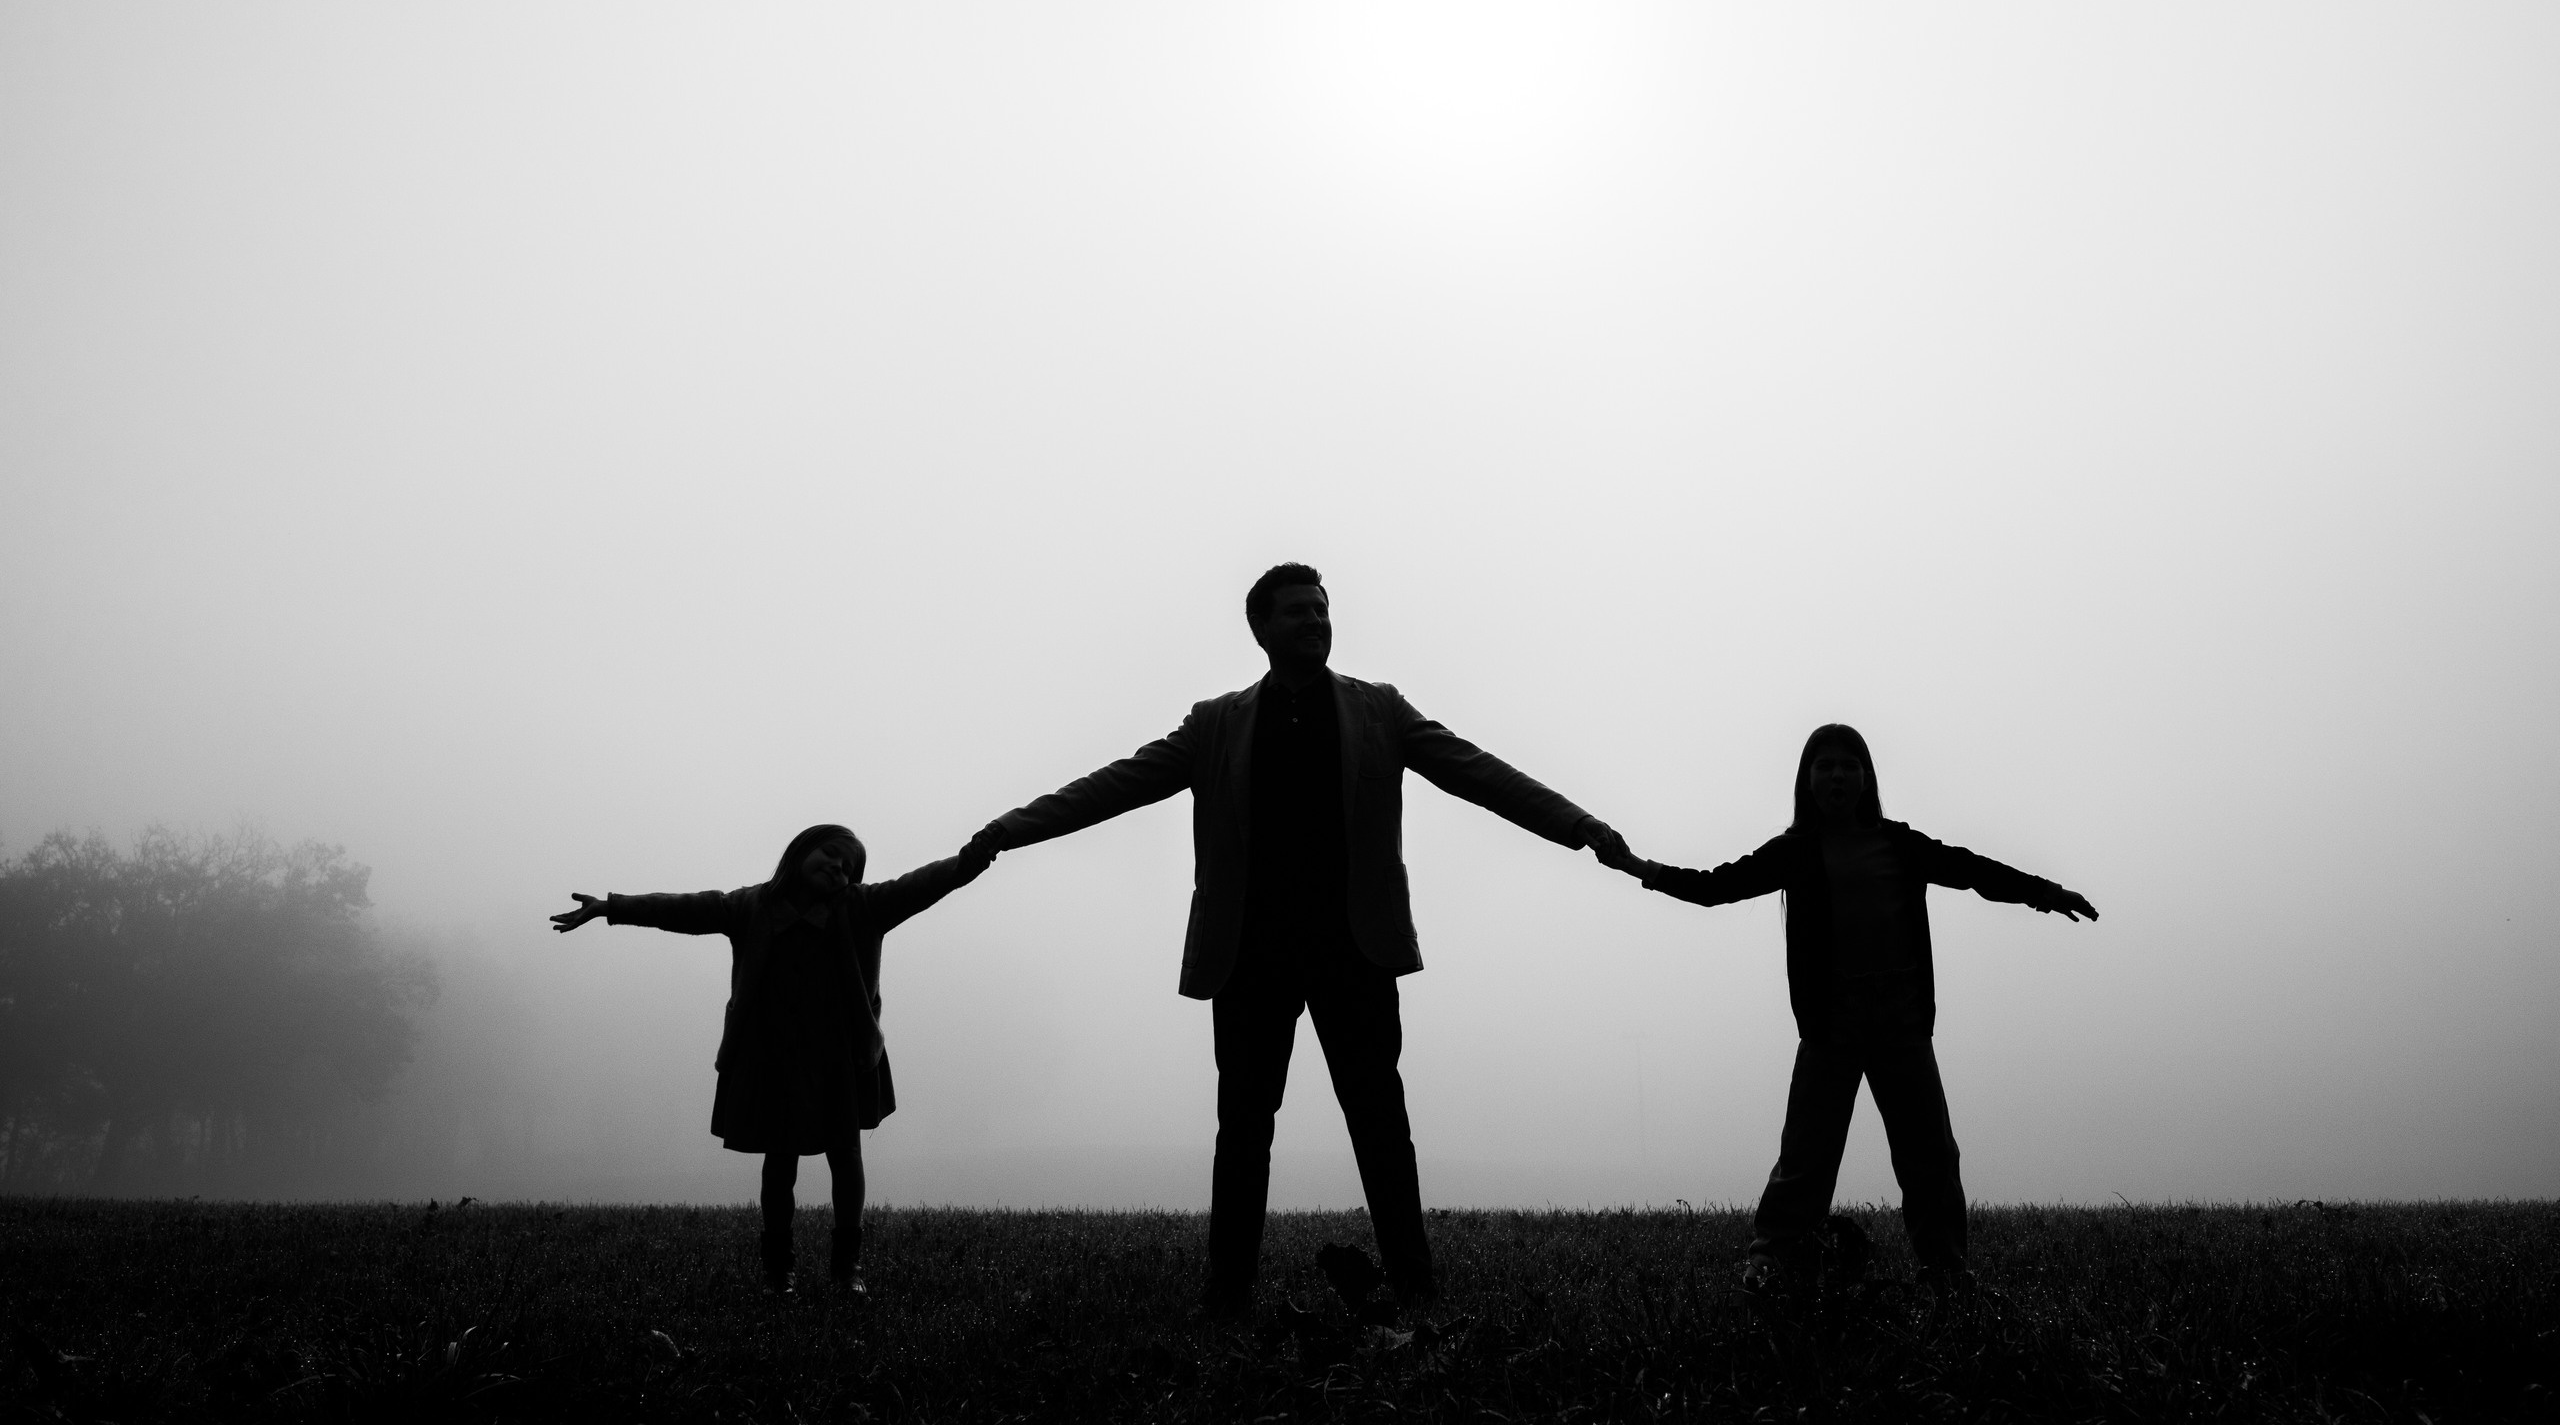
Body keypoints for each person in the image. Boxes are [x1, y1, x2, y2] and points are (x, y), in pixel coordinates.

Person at [972, 562, 1632, 1317]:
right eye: (1297, 613)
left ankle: (1415, 1281)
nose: (1315, 622)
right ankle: (1228, 1290)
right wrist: (1011, 830)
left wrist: (1578, 827)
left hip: (1354, 950)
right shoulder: (1215, 723)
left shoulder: (1379, 711)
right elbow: (1115, 784)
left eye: (1322, 611)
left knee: (1380, 1120)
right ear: (1260, 628)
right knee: (1243, 1126)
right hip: (1250, 954)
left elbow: (1477, 772)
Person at [1600, 723, 2097, 1293]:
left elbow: (1973, 871)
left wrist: (2046, 893)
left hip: (1902, 1021)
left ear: (1866, 778)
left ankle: (1945, 1274)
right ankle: (1770, 1265)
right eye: (1824, 765)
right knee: (1806, 1158)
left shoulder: (1900, 844)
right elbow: (1717, 887)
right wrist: (1642, 869)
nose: (1837, 775)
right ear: (1807, 781)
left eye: (1848, 764)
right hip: (1831, 1023)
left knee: (1929, 1156)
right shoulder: (1794, 853)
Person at [550, 823, 996, 1297]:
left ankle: (848, 1271)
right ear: (801, 851)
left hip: (839, 1056)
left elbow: (924, 883)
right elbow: (683, 909)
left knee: (845, 1155)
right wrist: (611, 908)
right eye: (830, 853)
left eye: (849, 866)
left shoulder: (865, 907)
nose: (838, 867)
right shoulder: (749, 906)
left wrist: (971, 859)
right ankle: (778, 1271)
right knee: (779, 1159)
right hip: (772, 1055)